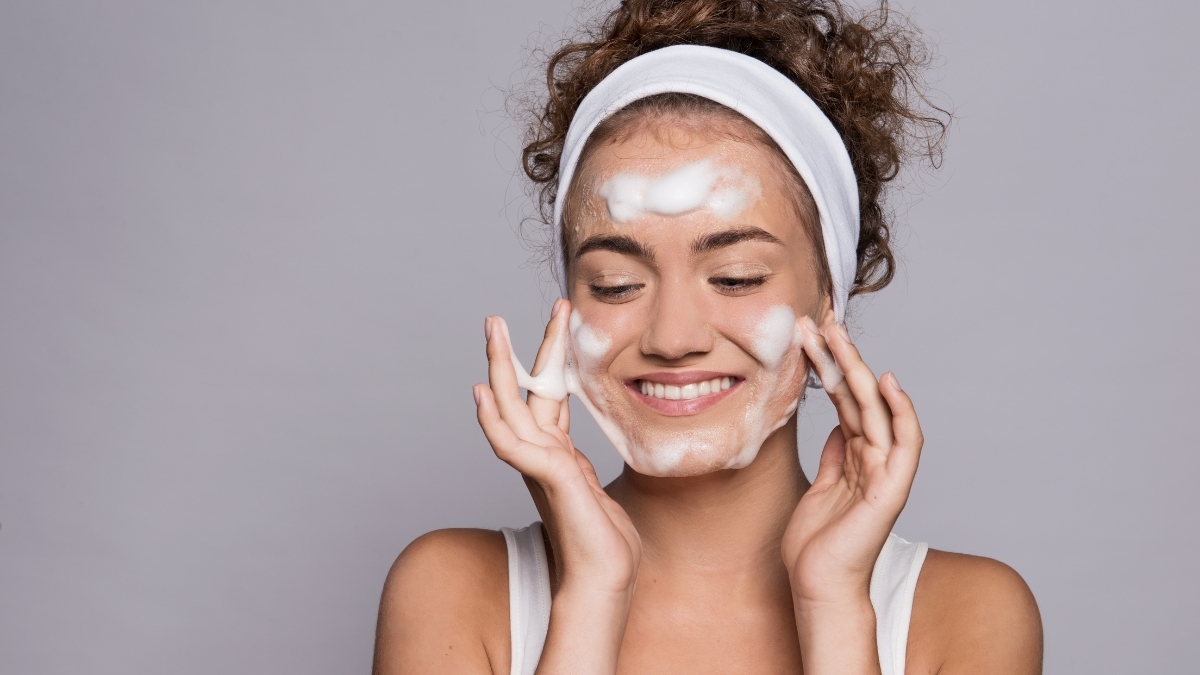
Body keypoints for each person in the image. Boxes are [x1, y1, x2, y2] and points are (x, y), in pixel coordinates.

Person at [373, 1, 1042, 673]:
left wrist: (834, 605)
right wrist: (593, 593)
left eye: (735, 276)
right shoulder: (453, 592)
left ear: (829, 298)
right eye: (614, 283)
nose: (673, 336)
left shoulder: (968, 615)